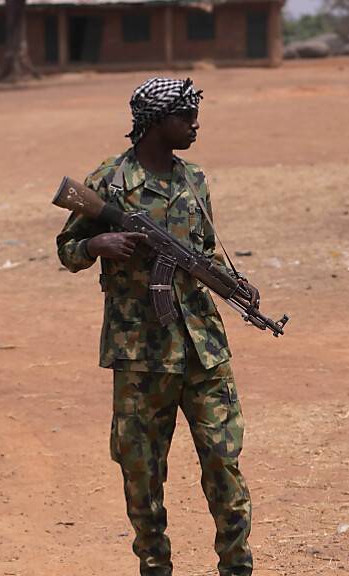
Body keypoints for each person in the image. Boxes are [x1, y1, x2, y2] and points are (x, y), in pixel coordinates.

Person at [56, 78, 252, 576]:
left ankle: (236, 567)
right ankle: (155, 566)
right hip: (140, 353)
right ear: (154, 122)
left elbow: (204, 251)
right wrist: (96, 247)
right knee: (141, 472)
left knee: (224, 463)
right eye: (184, 116)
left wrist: (235, 284)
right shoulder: (109, 181)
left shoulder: (195, 179)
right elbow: (67, 248)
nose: (194, 124)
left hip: (203, 349)